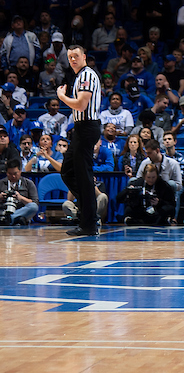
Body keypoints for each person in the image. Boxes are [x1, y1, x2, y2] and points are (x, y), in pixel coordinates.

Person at [56, 45, 104, 236]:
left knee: (83, 176)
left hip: (87, 127)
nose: (73, 60)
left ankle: (89, 223)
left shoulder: (86, 75)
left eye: (76, 56)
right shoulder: (81, 75)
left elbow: (82, 105)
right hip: (81, 128)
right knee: (68, 172)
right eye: (70, 57)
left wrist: (62, 97)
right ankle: (88, 211)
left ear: (84, 57)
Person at [2, 158, 38, 226]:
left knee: (33, 207)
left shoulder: (28, 183)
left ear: (20, 171)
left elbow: (35, 203)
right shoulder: (1, 183)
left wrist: (21, 198)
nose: (13, 176)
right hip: (3, 211)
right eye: (10, 174)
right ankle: (16, 220)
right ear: (6, 173)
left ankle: (10, 219)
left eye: (15, 173)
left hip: (22, 211)